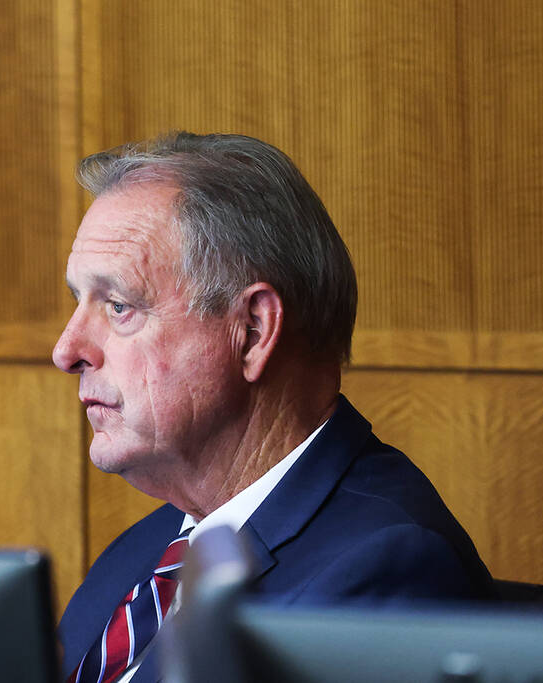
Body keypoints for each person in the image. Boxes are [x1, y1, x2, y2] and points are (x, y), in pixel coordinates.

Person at [52, 132, 494, 683]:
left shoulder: (386, 570)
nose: (66, 351)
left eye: (119, 306)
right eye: (79, 303)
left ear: (253, 331)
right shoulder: (145, 550)